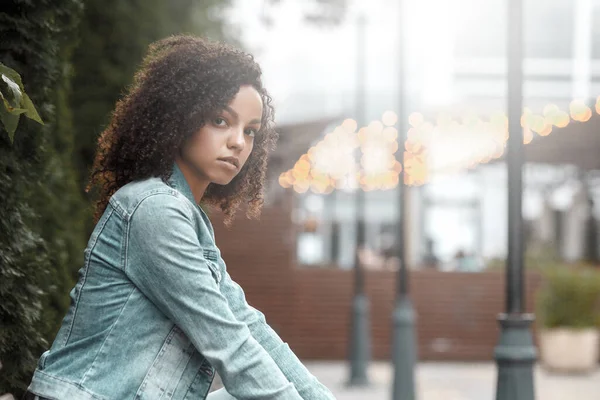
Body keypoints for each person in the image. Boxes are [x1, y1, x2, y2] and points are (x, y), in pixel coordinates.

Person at [25, 35, 335, 400]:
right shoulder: (152, 208)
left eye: (250, 131)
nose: (238, 142)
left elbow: (248, 326)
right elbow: (228, 341)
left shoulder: (188, 218)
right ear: (181, 118)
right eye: (221, 120)